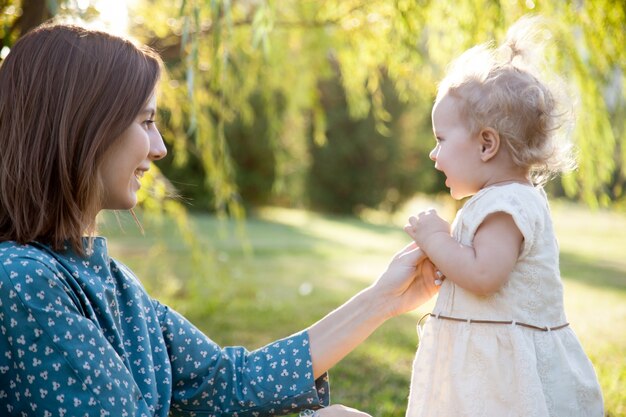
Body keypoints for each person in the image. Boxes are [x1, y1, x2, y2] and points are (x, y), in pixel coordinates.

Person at [0, 23, 439, 417]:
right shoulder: (23, 281)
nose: (159, 148)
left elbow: (229, 382)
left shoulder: (113, 282)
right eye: (146, 122)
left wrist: (386, 298)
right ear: (84, 126)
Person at [403, 17, 604, 417]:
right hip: (487, 361)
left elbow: (483, 276)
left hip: (503, 378)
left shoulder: (507, 205)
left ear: (487, 144)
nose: (433, 153)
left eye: (440, 139)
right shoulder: (501, 199)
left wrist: (436, 239)